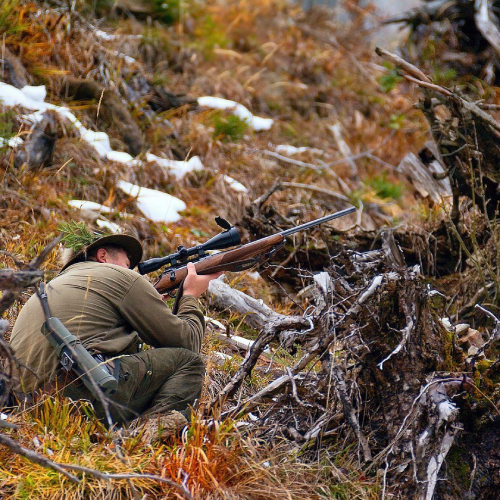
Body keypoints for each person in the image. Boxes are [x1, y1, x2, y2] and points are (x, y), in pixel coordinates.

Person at [10, 231, 222, 439]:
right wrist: (191, 295)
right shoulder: (121, 277)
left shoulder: (51, 287)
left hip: (29, 407)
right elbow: (187, 342)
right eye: (127, 263)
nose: (130, 270)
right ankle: (146, 437)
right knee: (188, 362)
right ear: (103, 256)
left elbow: (98, 341)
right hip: (79, 400)